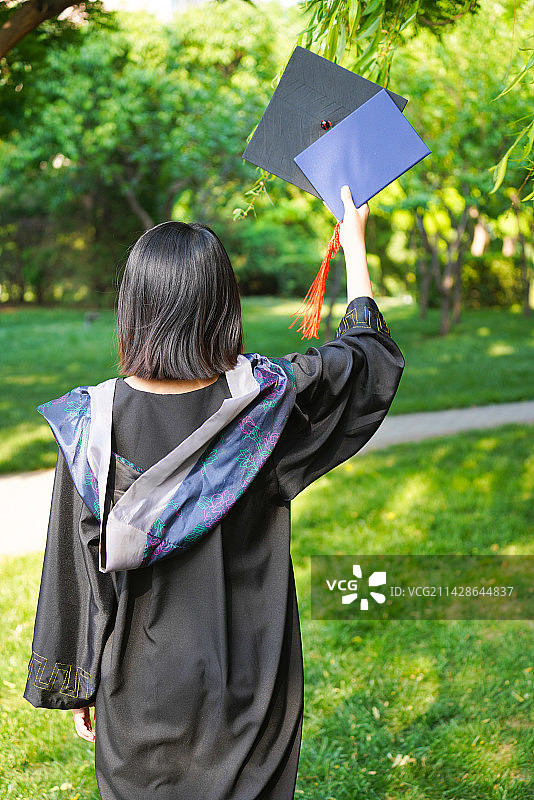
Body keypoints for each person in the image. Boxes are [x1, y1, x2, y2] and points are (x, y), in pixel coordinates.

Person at [23, 185, 404, 800]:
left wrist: (81, 681)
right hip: (250, 696)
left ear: (133, 307)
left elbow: (74, 572)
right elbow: (360, 361)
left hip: (140, 701)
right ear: (223, 302)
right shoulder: (267, 407)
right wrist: (353, 244)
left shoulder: (90, 425)